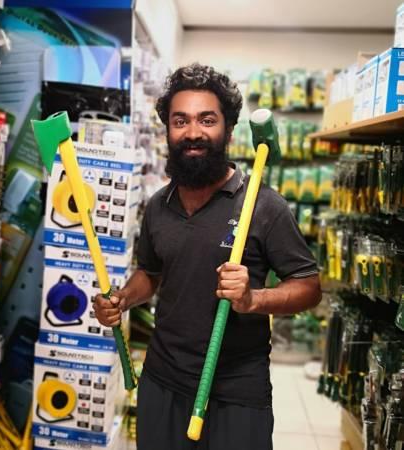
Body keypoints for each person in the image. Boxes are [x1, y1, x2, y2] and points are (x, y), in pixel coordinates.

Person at [94, 63, 322, 450]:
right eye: (180, 121)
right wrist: (123, 299)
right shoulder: (158, 205)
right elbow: (150, 272)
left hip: (236, 390)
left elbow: (309, 287)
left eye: (207, 120)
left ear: (228, 131)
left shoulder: (262, 205)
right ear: (168, 130)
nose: (193, 132)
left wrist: (253, 299)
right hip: (162, 380)